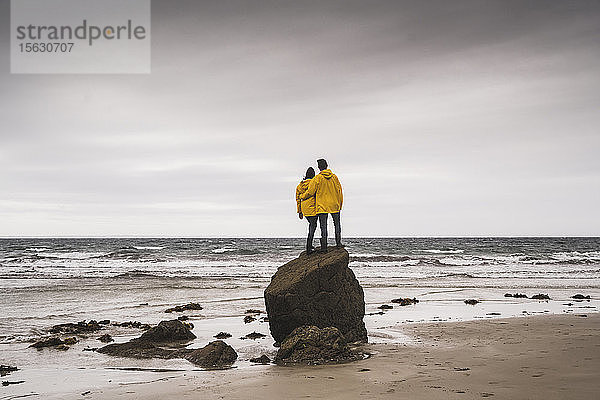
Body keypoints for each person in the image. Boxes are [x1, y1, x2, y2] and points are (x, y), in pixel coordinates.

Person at [300, 159, 343, 251]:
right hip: (335, 204)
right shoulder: (335, 177)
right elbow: (340, 191)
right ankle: (338, 243)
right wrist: (340, 204)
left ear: (319, 167)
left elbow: (310, 192)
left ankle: (324, 247)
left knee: (324, 227)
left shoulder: (317, 178)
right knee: (337, 224)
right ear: (327, 165)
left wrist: (302, 196)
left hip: (322, 205)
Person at [295, 167, 318, 254]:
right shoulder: (313, 183)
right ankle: (309, 247)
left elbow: (297, 199)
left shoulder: (299, 186)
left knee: (311, 226)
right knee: (313, 227)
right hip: (313, 208)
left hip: (305, 209)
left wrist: (299, 211)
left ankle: (309, 245)